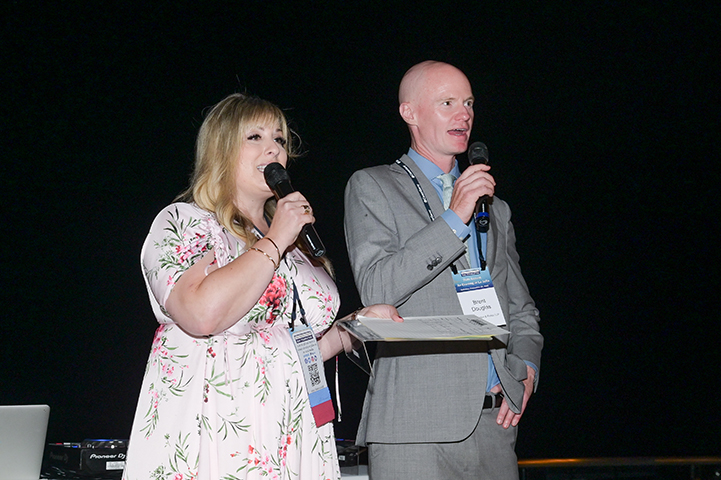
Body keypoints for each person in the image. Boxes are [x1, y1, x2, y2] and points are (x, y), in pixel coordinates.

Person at [123, 93, 399, 480]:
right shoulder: (186, 223)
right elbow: (201, 315)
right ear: (220, 148)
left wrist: (356, 325)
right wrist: (276, 240)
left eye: (280, 139)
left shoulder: (295, 246)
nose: (273, 148)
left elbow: (295, 349)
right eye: (255, 137)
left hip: (290, 424)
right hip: (217, 424)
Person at [343, 61, 544, 479]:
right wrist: (453, 219)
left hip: (494, 428)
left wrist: (526, 370)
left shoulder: (497, 210)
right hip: (414, 428)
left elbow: (521, 309)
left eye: (468, 102)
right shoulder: (373, 185)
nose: (464, 114)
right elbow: (377, 287)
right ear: (410, 113)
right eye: (447, 102)